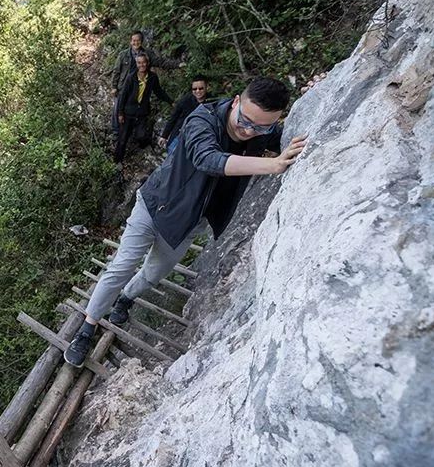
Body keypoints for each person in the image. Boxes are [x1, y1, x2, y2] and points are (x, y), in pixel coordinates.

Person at [64, 77, 307, 367]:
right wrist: (273, 164)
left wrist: (313, 95)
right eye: (245, 120)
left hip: (188, 223)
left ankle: (126, 298)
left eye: (261, 127)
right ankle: (87, 327)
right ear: (236, 102)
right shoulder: (201, 119)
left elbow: (286, 134)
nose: (248, 131)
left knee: (154, 273)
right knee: (123, 265)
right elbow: (208, 159)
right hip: (154, 205)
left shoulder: (260, 129)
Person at [110, 30, 180, 134]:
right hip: (123, 85)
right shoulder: (123, 55)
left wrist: (178, 65)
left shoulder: (148, 54)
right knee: (118, 107)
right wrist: (114, 86)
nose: (135, 43)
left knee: (136, 107)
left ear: (141, 41)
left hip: (139, 86)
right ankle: (116, 131)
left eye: (138, 40)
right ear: (130, 41)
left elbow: (161, 62)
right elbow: (116, 71)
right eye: (133, 40)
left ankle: (133, 131)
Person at [114, 54, 171, 163]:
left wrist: (170, 101)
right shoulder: (131, 77)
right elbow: (123, 95)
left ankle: (141, 149)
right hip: (128, 112)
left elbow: (159, 92)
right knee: (122, 139)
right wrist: (120, 113)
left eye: (144, 62)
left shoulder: (152, 77)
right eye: (139, 63)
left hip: (142, 112)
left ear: (147, 63)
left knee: (141, 136)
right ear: (136, 64)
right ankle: (117, 162)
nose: (142, 65)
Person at [158, 75, 210, 156]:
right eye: (194, 89)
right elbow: (173, 117)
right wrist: (164, 136)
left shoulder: (211, 102)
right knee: (172, 157)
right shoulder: (185, 100)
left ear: (207, 87)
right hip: (180, 135)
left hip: (198, 138)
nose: (197, 91)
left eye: (201, 88)